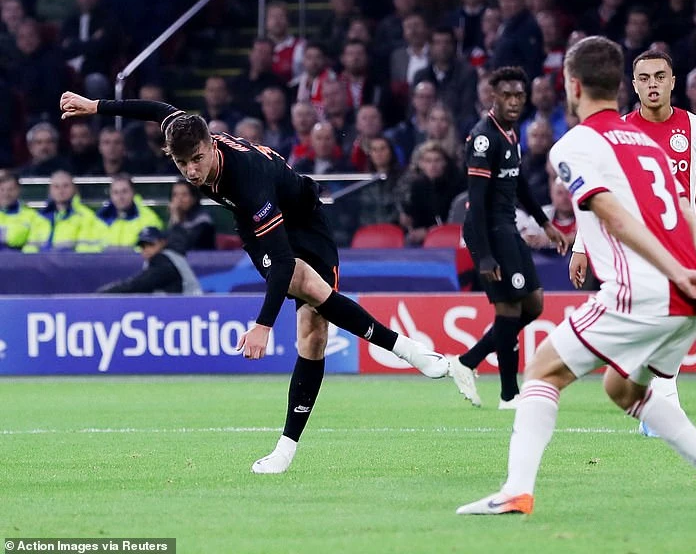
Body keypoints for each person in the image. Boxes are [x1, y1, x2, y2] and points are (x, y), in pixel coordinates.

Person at [60, 90, 451, 475]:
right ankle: (404, 353)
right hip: (255, 225)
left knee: (312, 332)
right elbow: (156, 109)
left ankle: (401, 356)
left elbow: (283, 260)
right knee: (309, 294)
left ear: (211, 145)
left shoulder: (247, 179)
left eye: (197, 159)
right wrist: (95, 106)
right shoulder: (185, 130)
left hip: (304, 221)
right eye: (182, 163)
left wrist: (263, 325)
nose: (192, 171)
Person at [456, 36, 696, 515]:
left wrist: (676, 273)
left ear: (573, 86)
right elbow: (688, 215)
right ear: (621, 86)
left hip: (644, 291)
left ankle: (515, 491)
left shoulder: (575, 145)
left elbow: (612, 215)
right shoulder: (649, 143)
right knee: (623, 388)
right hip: (690, 298)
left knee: (542, 370)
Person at [570, 49, 696, 437]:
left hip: (681, 247)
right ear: (634, 86)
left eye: (660, 77)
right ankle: (660, 408)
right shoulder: (619, 132)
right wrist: (581, 246)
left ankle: (656, 406)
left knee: (664, 327)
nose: (653, 85)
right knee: (656, 327)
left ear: (672, 82)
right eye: (645, 78)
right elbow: (598, 193)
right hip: (632, 248)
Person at [447, 67, 571, 409]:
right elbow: (476, 202)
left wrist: (545, 223)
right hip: (489, 230)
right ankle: (508, 395)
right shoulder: (484, 138)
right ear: (493, 97)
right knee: (510, 308)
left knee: (533, 304)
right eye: (507, 95)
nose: (514, 101)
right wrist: (485, 255)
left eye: (519, 95)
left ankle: (467, 361)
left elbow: (518, 184)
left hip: (508, 226)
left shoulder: (511, 133)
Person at [98, 227, 202, 295]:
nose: (146, 249)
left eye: (151, 244)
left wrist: (105, 293)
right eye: (142, 246)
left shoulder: (164, 260)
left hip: (191, 308)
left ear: (162, 243)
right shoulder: (164, 259)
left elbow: (138, 285)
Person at [167, 179, 216, 252]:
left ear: (194, 198)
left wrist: (176, 219)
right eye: (175, 195)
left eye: (184, 195)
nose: (179, 200)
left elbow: (184, 246)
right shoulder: (175, 218)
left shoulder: (204, 222)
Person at [0, 170, 44, 251]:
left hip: (18, 257)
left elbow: (32, 247)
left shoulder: (32, 216)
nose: (6, 194)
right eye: (2, 189)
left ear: (18, 190)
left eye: (10, 189)